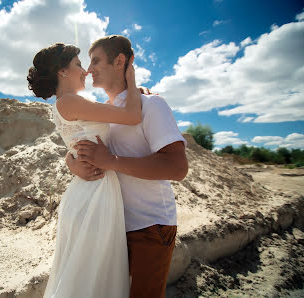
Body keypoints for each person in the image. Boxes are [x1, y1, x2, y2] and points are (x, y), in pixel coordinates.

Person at [67, 35, 188, 298]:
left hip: (150, 226)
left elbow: (177, 167)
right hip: (111, 227)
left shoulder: (151, 104)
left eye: (96, 61)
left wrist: (111, 161)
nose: (89, 69)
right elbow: (79, 153)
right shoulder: (102, 112)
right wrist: (74, 166)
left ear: (119, 61)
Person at [27, 42, 142, 297]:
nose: (86, 71)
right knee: (92, 276)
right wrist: (132, 81)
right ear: (62, 71)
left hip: (89, 189)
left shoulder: (66, 103)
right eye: (78, 64)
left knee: (86, 274)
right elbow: (133, 116)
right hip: (95, 192)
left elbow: (77, 142)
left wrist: (71, 160)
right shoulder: (70, 101)